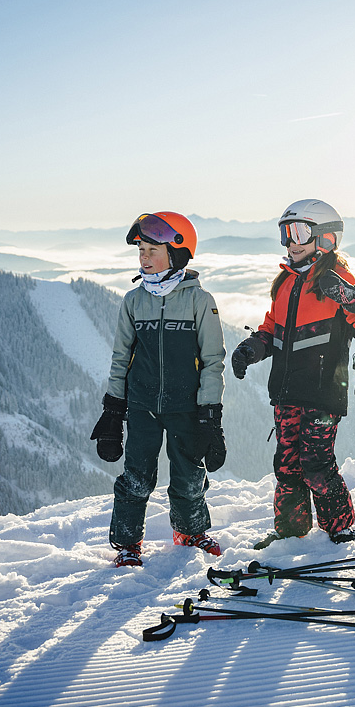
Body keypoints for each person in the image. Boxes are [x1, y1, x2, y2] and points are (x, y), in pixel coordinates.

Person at [231, 199, 355, 550]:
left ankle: (340, 529)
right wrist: (251, 348)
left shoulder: (335, 281)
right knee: (287, 465)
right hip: (287, 392)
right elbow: (272, 329)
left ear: (326, 238)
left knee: (316, 463)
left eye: (300, 232)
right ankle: (291, 530)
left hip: (322, 391)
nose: (291, 242)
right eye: (285, 233)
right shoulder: (286, 282)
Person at [90, 212, 227, 567]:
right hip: (142, 406)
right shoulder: (134, 301)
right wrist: (113, 409)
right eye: (141, 250)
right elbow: (121, 358)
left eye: (152, 250)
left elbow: (213, 360)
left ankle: (190, 532)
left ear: (177, 254)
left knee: (189, 477)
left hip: (187, 407)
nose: (144, 257)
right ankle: (127, 544)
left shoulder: (199, 301)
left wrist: (210, 414)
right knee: (136, 478)